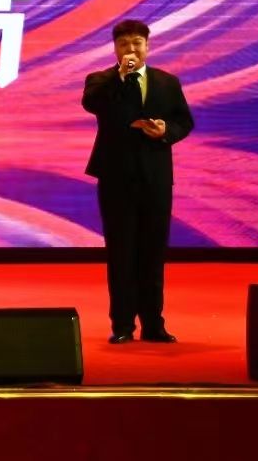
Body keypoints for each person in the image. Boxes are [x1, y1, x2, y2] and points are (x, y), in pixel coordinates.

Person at [82, 19, 194, 344]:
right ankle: (122, 325)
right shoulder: (101, 80)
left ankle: (154, 324)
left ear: (147, 45)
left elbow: (184, 120)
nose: (131, 50)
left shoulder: (167, 82)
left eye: (136, 44)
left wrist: (166, 131)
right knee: (121, 253)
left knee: (153, 252)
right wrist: (121, 76)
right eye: (124, 44)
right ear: (115, 49)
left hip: (156, 177)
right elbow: (92, 103)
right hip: (116, 177)